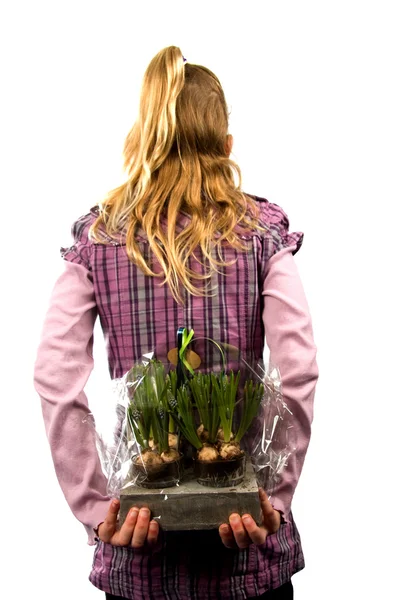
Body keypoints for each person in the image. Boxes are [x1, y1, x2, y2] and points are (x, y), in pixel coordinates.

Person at [33, 46, 319, 600]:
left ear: (144, 138)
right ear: (227, 146)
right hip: (248, 565)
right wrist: (272, 499)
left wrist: (99, 512)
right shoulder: (262, 235)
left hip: (140, 561)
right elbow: (300, 370)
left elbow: (53, 375)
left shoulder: (100, 239)